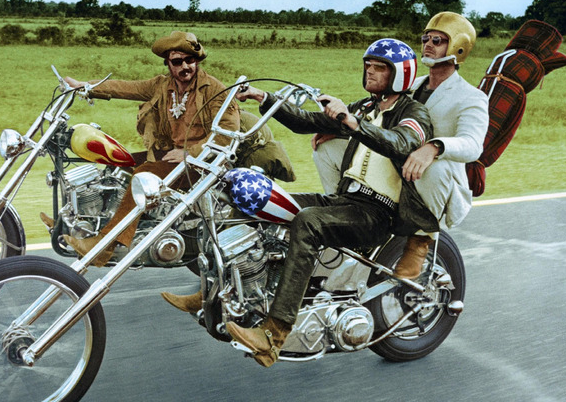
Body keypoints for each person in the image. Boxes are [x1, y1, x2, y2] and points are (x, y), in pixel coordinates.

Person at [162, 38, 437, 367]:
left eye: (379, 68)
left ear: (401, 75)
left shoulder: (412, 113)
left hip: (378, 214)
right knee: (255, 201)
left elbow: (402, 143)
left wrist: (350, 122)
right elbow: (305, 121)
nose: (370, 71)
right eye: (368, 65)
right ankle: (217, 294)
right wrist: (266, 98)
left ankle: (273, 335)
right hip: (345, 199)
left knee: (308, 222)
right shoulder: (366, 108)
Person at [44, 31, 294, 264]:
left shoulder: (216, 90)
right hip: (172, 155)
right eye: (177, 62)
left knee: (143, 176)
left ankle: (105, 246)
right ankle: (77, 225)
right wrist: (84, 86)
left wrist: (190, 153)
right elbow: (125, 87)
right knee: (113, 165)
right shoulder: (162, 86)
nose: (185, 66)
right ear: (168, 64)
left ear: (197, 61)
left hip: (206, 163)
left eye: (189, 60)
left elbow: (228, 135)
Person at [394, 11, 489, 279]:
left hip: (438, 180)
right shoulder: (408, 86)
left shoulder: (471, 97)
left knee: (435, 168)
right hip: (397, 168)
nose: (428, 44)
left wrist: (434, 147)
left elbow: (473, 145)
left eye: (438, 40)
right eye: (425, 38)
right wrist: (340, 128)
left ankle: (420, 242)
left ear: (458, 47)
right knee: (329, 148)